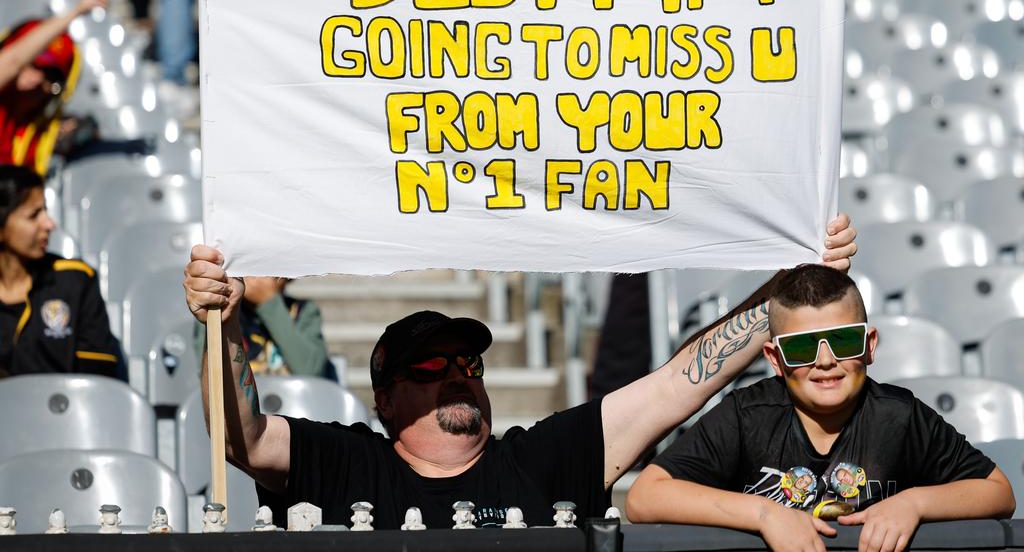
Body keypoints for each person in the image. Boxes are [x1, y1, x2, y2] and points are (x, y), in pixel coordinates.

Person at [182, 214, 857, 529]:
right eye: (429, 364)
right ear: (385, 401)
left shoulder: (543, 461)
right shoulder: (351, 464)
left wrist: (792, 286)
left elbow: (680, 383)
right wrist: (227, 318)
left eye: (467, 361)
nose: (455, 374)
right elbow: (242, 438)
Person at [625, 265, 1015, 552]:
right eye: (801, 347)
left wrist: (915, 504)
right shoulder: (747, 415)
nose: (825, 361)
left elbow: (998, 492)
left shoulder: (900, 416)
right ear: (775, 360)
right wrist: (764, 514)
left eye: (843, 341)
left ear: (870, 344)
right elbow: (644, 498)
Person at [0, 165, 123, 378]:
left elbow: (97, 382)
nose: (49, 223)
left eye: (46, 210)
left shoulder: (76, 282)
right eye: (34, 215)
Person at [0, 0, 109, 174]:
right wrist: (76, 12)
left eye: (51, 79)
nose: (37, 80)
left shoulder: (41, 138)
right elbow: (12, 62)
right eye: (31, 65)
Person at [192, 276, 335, 378]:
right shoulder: (221, 313)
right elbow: (211, 375)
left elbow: (311, 371)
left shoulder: (304, 311)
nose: (260, 277)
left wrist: (269, 303)